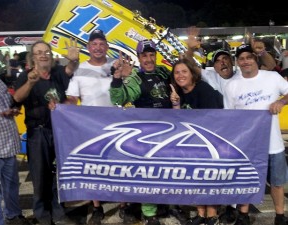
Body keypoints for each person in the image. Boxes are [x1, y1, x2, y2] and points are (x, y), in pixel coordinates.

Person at [66, 29, 138, 225]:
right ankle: (96, 207)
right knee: (93, 169)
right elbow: (72, 99)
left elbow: (129, 91)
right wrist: (60, 108)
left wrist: (126, 76)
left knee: (121, 167)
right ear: (88, 47)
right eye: (94, 44)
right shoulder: (79, 69)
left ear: (107, 47)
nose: (98, 47)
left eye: (101, 44)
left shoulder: (116, 65)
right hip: (90, 128)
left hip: (118, 126)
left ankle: (124, 205)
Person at [110, 39, 183, 225]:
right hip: (147, 136)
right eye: (145, 55)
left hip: (170, 132)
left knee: (171, 172)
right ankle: (149, 214)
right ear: (139, 57)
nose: (149, 59)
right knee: (149, 174)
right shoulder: (135, 78)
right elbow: (119, 98)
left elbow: (185, 78)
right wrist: (117, 79)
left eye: (152, 55)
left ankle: (172, 204)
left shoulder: (163, 72)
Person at [13, 39, 80, 225]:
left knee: (59, 174)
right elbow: (17, 98)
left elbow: (69, 69)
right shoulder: (26, 76)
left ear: (51, 56)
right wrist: (30, 83)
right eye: (39, 52)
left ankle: (59, 214)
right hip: (37, 133)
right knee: (40, 176)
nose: (43, 55)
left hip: (58, 131)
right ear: (32, 57)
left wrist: (74, 60)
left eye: (46, 52)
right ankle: (42, 215)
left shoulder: (57, 73)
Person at [224, 44, 288, 225]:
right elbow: (229, 117)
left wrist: (282, 102)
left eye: (249, 57)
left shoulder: (272, 77)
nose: (246, 61)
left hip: (273, 143)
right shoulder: (232, 86)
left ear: (255, 59)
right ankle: (243, 215)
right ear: (238, 62)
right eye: (241, 58)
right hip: (247, 145)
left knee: (277, 183)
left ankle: (280, 216)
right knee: (246, 181)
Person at [169, 58, 223, 225]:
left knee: (209, 178)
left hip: (208, 142)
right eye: (177, 72)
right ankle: (200, 212)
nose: (180, 75)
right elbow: (178, 121)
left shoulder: (203, 89)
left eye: (184, 71)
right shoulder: (178, 94)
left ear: (192, 74)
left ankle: (212, 214)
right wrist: (176, 104)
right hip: (191, 144)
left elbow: (214, 118)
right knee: (196, 178)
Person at [0, 61, 30, 225]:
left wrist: (11, 109)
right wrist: (1, 113)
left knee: (12, 186)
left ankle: (13, 215)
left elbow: (9, 102)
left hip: (9, 145)